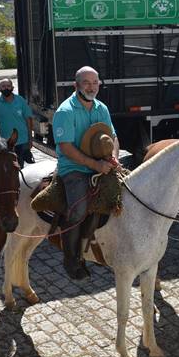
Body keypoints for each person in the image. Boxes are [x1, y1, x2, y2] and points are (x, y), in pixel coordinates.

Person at [53, 66, 119, 280]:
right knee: (79, 210)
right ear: (76, 85)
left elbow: (113, 137)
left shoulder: (102, 108)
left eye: (95, 82)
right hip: (74, 167)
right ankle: (71, 258)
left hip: (101, 162)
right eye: (86, 83)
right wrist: (95, 165)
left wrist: (114, 157)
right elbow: (66, 148)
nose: (91, 87)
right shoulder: (65, 111)